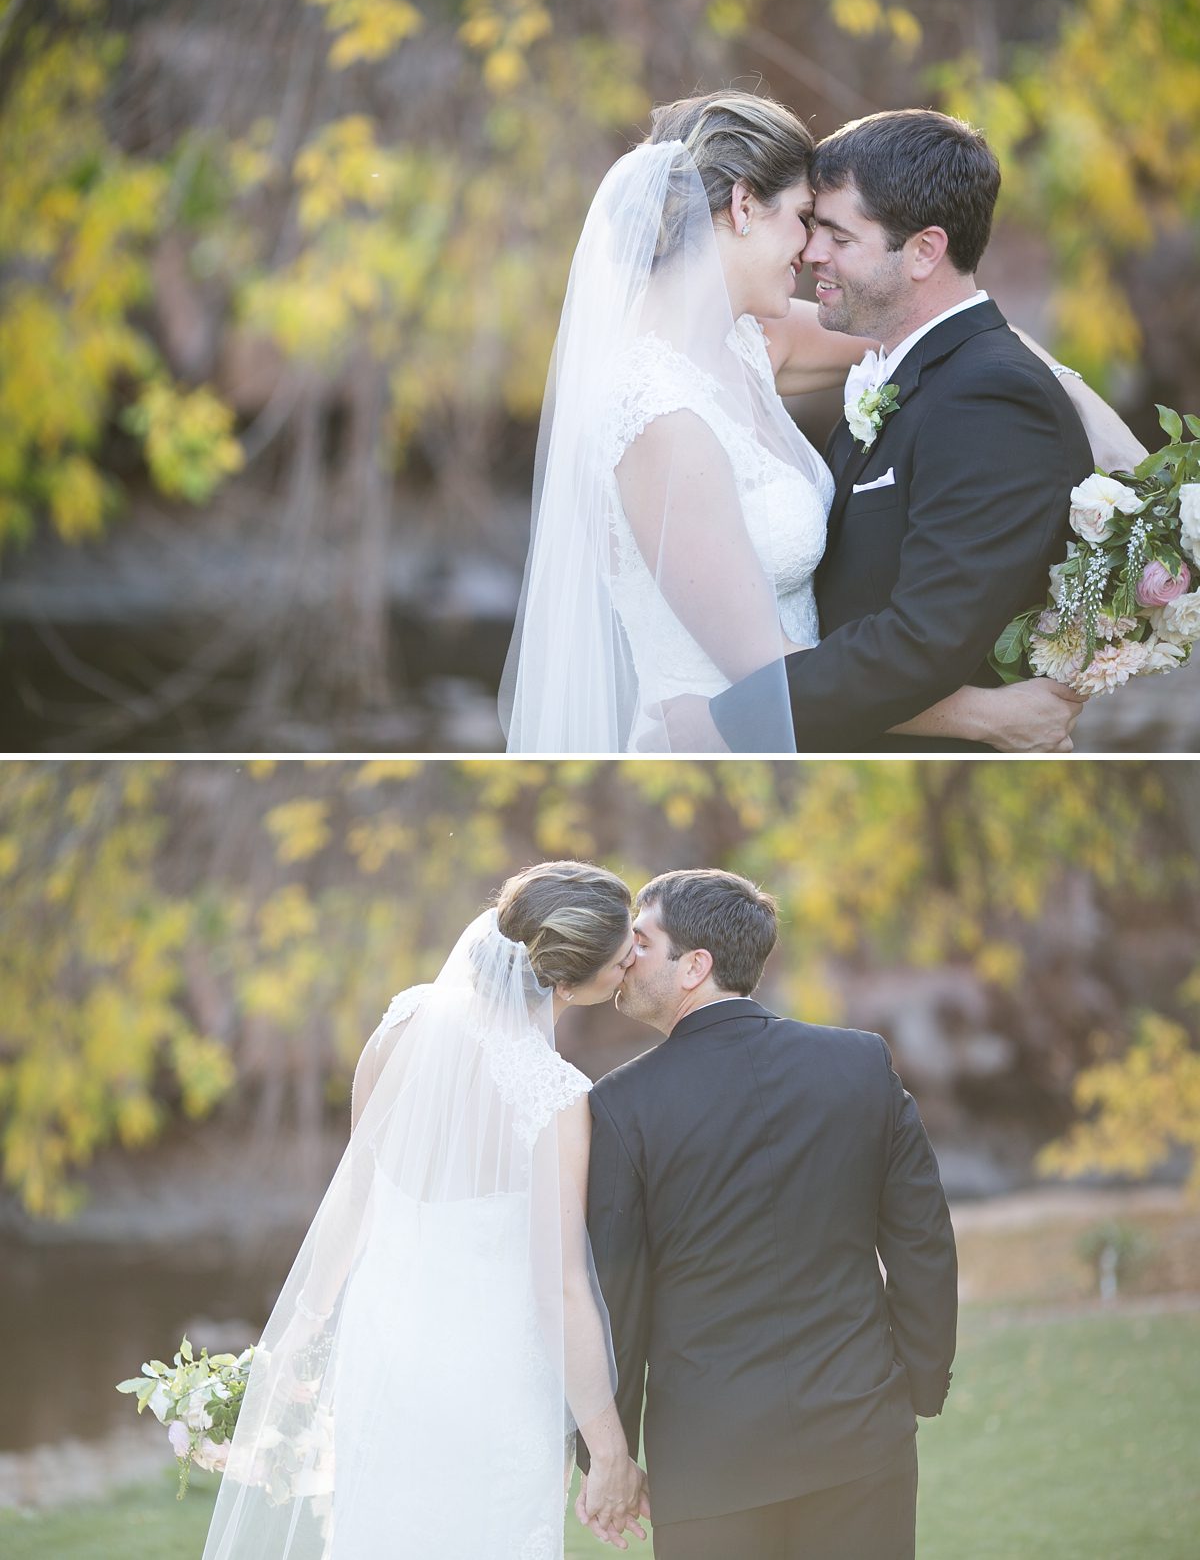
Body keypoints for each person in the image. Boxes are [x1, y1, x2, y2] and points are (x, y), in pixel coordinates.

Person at [499, 91, 1143, 754]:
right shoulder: (660, 423)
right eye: (807, 219)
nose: (810, 250)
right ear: (744, 206)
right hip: (718, 740)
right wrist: (984, 715)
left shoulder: (754, 339)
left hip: (811, 726)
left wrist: (1099, 424)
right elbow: (765, 677)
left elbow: (950, 330)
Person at [201, 861, 650, 1560]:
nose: (630, 971)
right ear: (564, 983)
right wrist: (610, 1447)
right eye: (622, 961)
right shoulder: (556, 1098)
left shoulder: (404, 1023)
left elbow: (354, 1193)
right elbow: (559, 1285)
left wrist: (307, 1326)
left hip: (387, 1356)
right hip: (495, 1381)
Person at [580, 868, 957, 1560]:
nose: (623, 955)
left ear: (695, 965)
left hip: (710, 1456)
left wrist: (610, 1453)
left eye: (641, 938)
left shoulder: (620, 1105)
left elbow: (617, 1290)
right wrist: (922, 1380)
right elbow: (922, 1240)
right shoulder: (860, 1063)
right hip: (862, 1429)